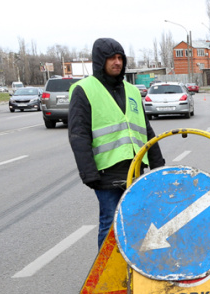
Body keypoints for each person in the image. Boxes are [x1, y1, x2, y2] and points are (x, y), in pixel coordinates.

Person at [68, 37, 165, 249]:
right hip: (106, 172)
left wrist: (158, 163)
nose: (117, 62)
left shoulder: (131, 90)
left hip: (135, 167)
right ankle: (105, 278)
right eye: (111, 58)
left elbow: (145, 128)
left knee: (138, 223)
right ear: (100, 61)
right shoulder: (84, 89)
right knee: (110, 223)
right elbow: (79, 135)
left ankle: (134, 270)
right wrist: (88, 172)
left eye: (120, 57)